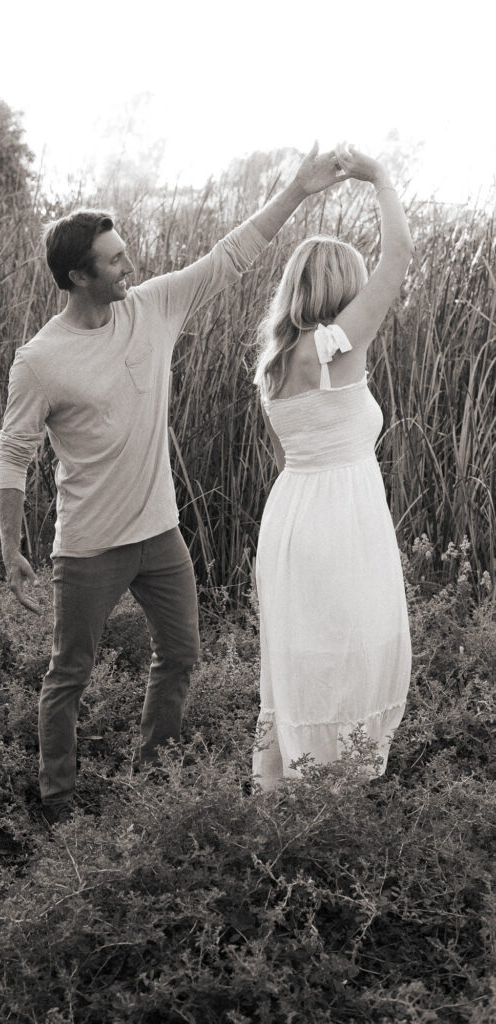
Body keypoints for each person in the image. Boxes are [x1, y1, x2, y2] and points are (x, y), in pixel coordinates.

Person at [0, 143, 349, 826]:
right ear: (78, 275)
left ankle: (151, 776)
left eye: (127, 253)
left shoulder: (151, 307)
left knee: (181, 656)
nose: (132, 265)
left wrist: (299, 190)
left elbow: (230, 254)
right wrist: (10, 549)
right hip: (90, 547)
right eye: (116, 260)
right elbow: (13, 458)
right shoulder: (40, 361)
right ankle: (57, 798)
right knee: (69, 673)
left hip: (160, 533)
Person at [252, 145, 414, 789]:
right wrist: (381, 178)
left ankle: (289, 788)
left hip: (294, 515)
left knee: (300, 658)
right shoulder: (334, 350)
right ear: (343, 287)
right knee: (353, 652)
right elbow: (398, 258)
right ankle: (334, 793)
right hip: (339, 521)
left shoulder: (280, 356)